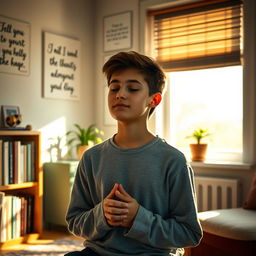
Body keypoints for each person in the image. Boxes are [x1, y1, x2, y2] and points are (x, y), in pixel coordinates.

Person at [65, 51, 202, 256]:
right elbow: (75, 223)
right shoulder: (91, 158)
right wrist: (102, 213)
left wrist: (137, 218)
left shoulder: (173, 161)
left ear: (154, 100)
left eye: (133, 88)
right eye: (114, 87)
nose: (120, 94)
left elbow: (189, 234)